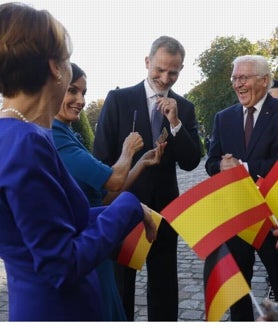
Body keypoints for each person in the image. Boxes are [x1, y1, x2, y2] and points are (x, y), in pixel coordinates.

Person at [0, 2, 157, 321]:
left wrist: (127, 210)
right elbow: (62, 264)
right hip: (59, 311)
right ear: (55, 67)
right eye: (68, 60)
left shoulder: (13, 134)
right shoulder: (27, 142)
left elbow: (56, 221)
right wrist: (127, 205)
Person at [93, 35, 202, 321]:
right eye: (160, 70)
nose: (165, 78)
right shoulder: (119, 99)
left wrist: (176, 124)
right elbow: (101, 155)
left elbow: (192, 162)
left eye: (173, 72)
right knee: (121, 283)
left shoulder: (185, 108)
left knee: (164, 283)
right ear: (147, 62)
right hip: (123, 206)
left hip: (166, 208)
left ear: (180, 70)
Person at [52, 62, 166, 320]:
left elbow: (103, 195)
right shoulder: (55, 136)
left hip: (95, 248)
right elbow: (114, 180)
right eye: (72, 91)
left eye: (84, 93)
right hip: (83, 246)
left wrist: (139, 164)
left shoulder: (68, 134)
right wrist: (128, 150)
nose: (80, 100)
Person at [205, 54, 278, 321]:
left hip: (273, 219)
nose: (238, 84)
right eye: (235, 78)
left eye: (244, 77)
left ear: (264, 80)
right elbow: (211, 161)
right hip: (235, 218)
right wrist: (220, 167)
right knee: (238, 292)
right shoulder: (223, 118)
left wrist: (244, 167)